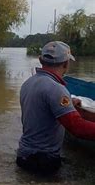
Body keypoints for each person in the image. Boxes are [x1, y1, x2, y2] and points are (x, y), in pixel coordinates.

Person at [16, 41, 95, 175]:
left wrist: (69, 102)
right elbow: (77, 127)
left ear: (41, 60)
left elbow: (44, 108)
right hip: (43, 161)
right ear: (66, 64)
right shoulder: (56, 89)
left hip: (24, 155)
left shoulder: (28, 83)